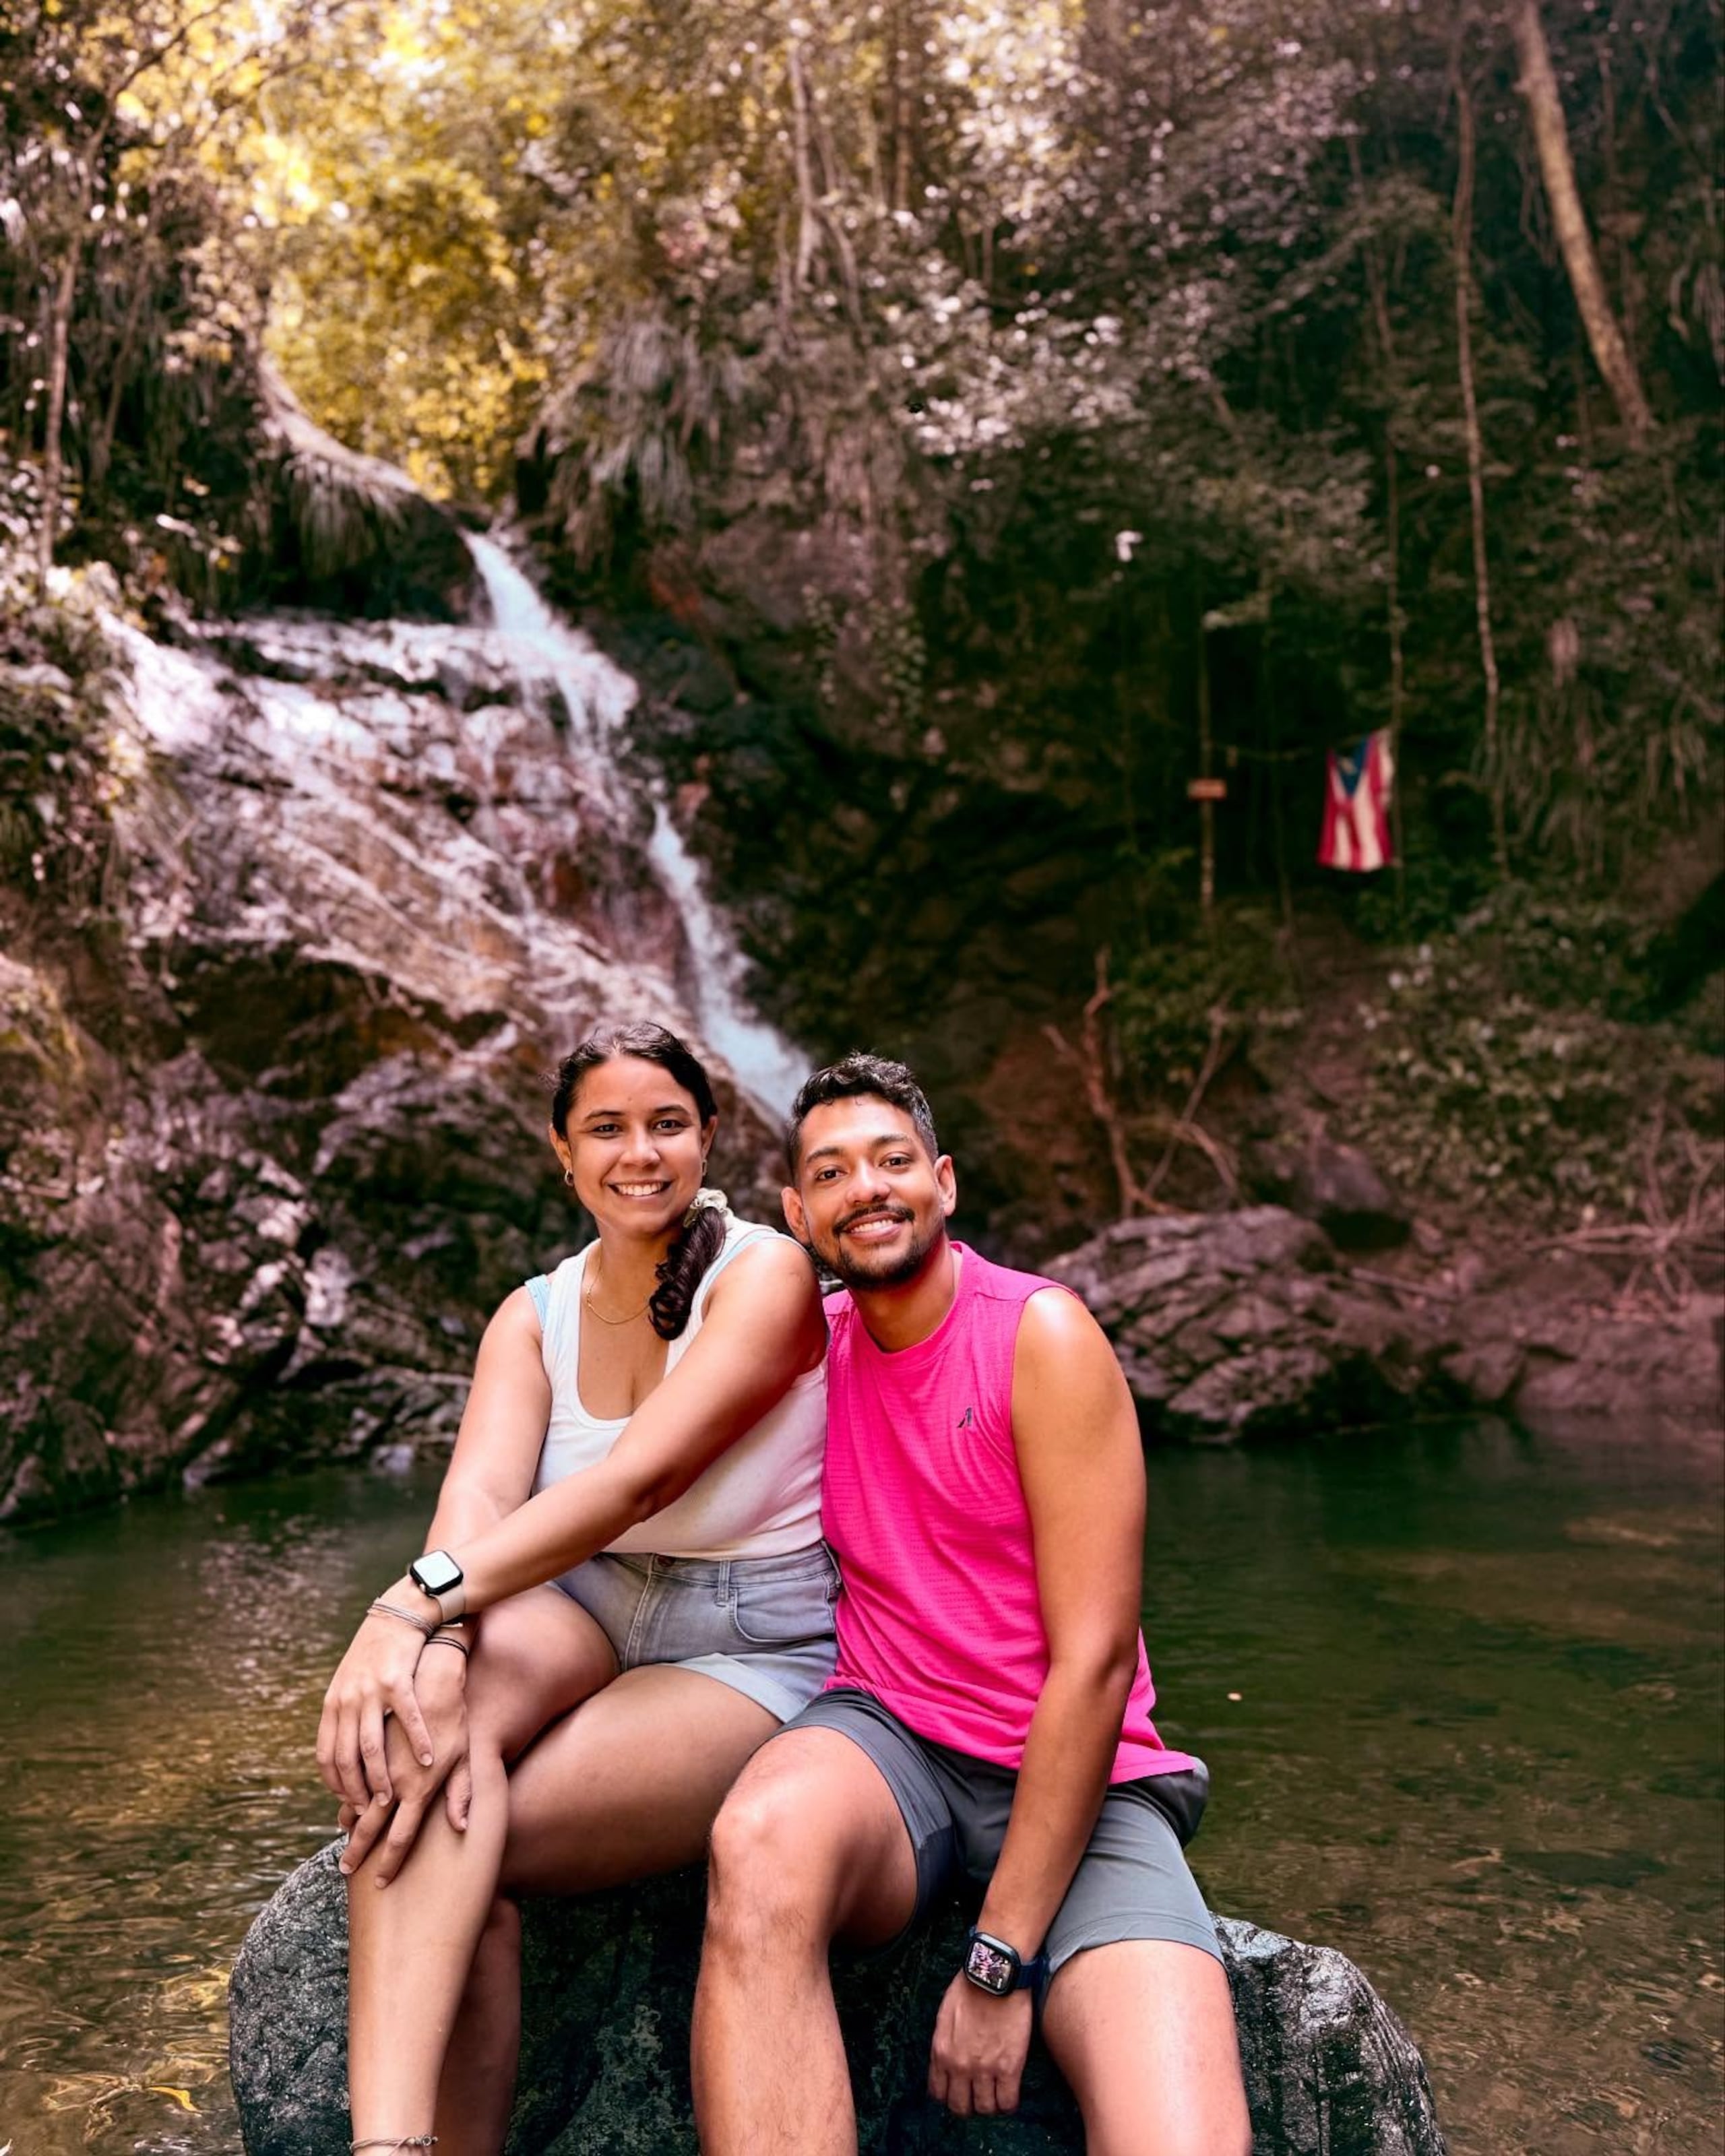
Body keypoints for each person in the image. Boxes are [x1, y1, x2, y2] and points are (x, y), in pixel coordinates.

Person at [691, 1053, 1251, 2156]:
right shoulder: (807, 1348)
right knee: (757, 1841)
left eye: (894, 1159)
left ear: (944, 1182)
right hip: (889, 1738)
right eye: (835, 1173)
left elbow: (1092, 1666)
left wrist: (1000, 1961)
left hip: (1084, 1786)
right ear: (799, 1216)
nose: (870, 1189)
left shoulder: (1040, 1335)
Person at [316, 1021, 832, 2156]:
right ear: (562, 1151)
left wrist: (406, 1606)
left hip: (748, 1636)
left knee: (462, 1838)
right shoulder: (532, 1314)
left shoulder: (770, 1275)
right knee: (419, 1749)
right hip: (586, 1603)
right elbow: (481, 1501)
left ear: (707, 1136)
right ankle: (388, 2147)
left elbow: (639, 1479)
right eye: (606, 1128)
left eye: (665, 1125)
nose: (638, 1153)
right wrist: (435, 1649)